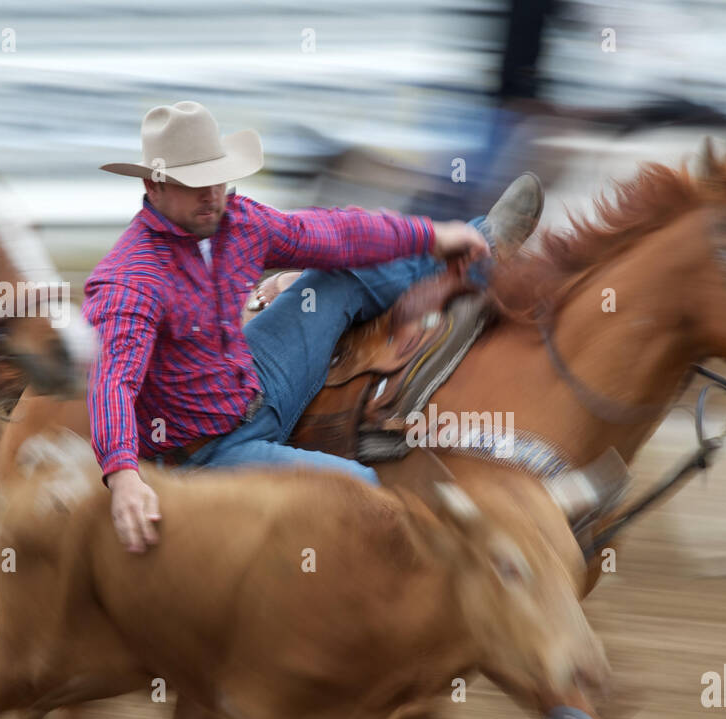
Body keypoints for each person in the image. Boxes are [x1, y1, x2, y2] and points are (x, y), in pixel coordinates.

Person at [86, 101, 544, 553]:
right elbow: (113, 381)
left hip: (257, 379)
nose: (211, 194)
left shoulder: (235, 221)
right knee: (362, 490)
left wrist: (434, 235)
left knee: (339, 274)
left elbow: (333, 234)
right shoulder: (130, 279)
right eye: (194, 184)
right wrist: (124, 476)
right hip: (207, 451)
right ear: (154, 185)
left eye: (217, 178)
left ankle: (482, 249)